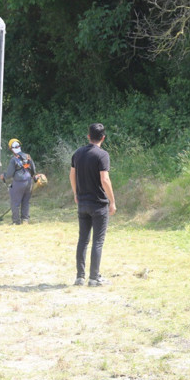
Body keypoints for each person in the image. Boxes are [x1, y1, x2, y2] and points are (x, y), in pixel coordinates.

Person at [70, 123, 116, 287]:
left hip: (82, 203)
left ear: (88, 136)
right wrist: (112, 201)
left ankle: (80, 277)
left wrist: (76, 193)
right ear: (103, 137)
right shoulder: (102, 155)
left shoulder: (77, 154)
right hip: (98, 204)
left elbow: (72, 175)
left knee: (83, 240)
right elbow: (104, 179)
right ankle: (94, 278)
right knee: (97, 241)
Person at [0, 138, 37, 224]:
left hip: (19, 183)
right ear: (19, 146)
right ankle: (25, 220)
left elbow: (9, 174)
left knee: (15, 203)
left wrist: (3, 176)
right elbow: (33, 170)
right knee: (26, 201)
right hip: (29, 182)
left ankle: (16, 222)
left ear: (11, 149)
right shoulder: (28, 156)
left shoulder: (13, 159)